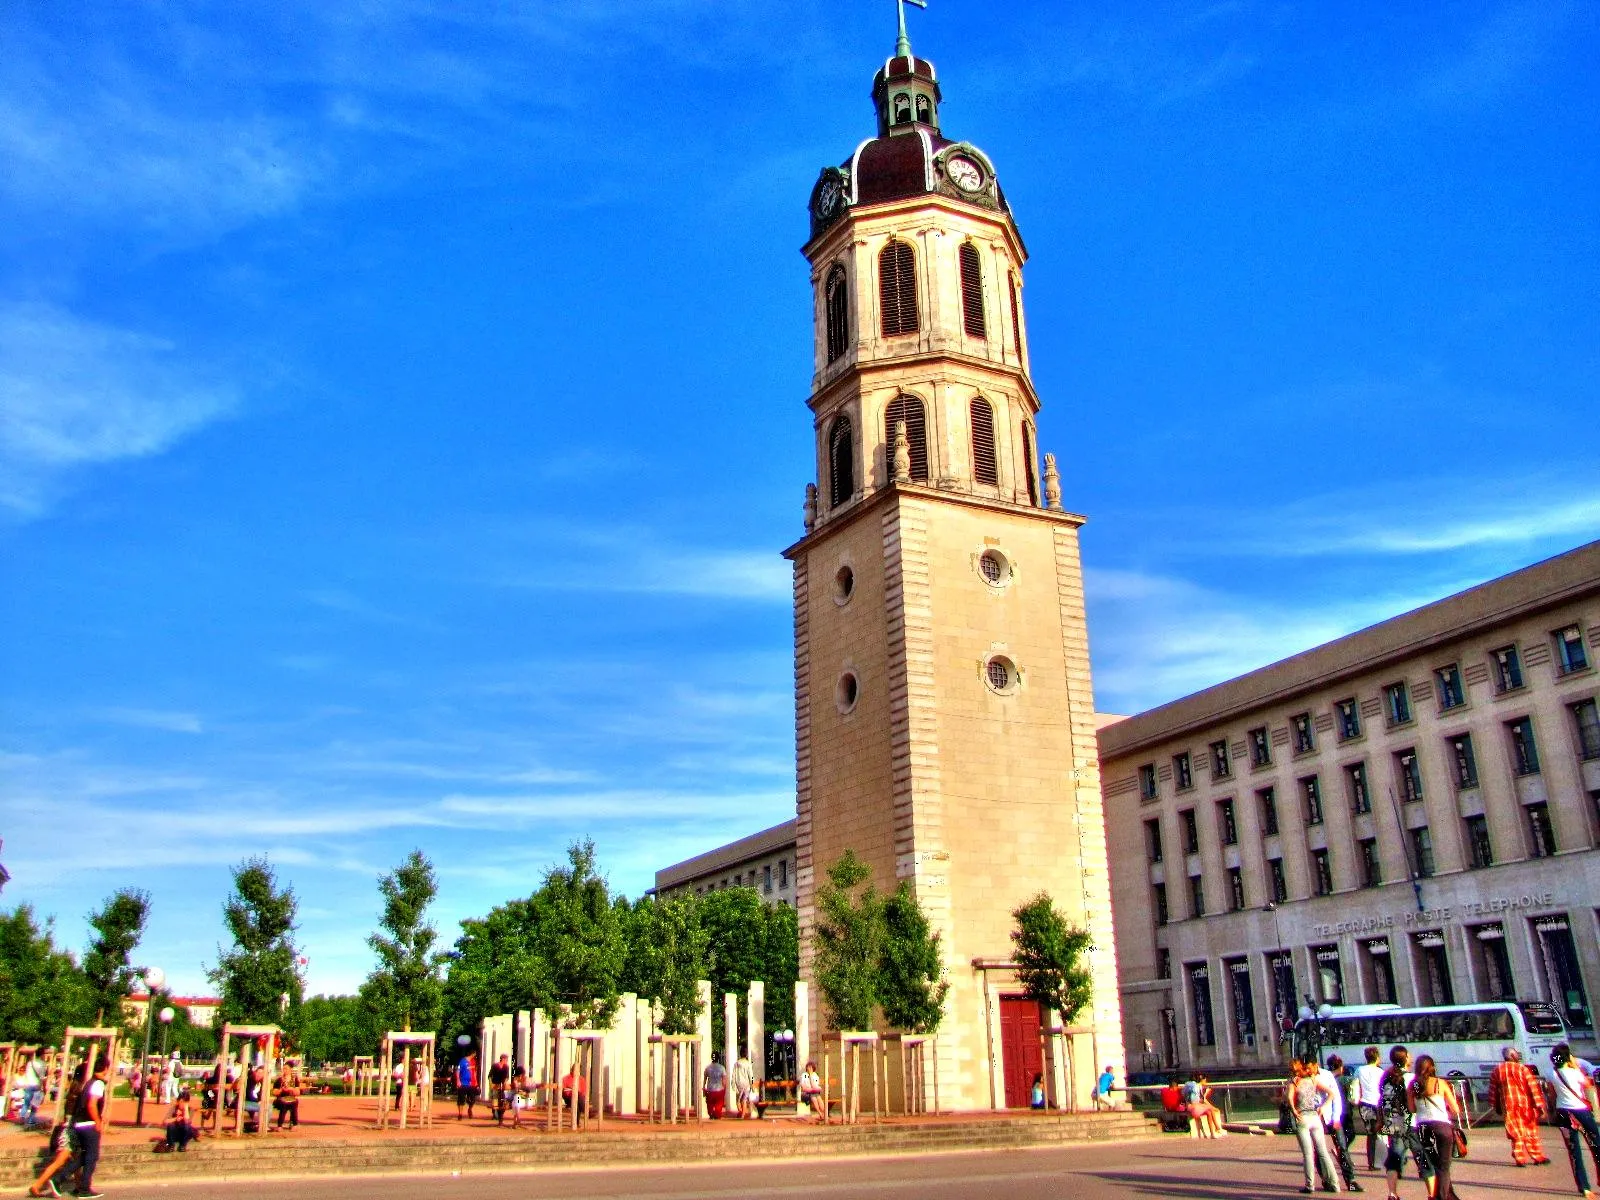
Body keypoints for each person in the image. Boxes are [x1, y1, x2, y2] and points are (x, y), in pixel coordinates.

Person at [28, 1062, 87, 1198]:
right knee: (61, 1161)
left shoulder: (73, 1087)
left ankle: (79, 1186)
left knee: (75, 1160)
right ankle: (38, 1185)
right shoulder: (79, 1090)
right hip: (70, 1131)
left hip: (67, 1128)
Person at [1379, 1046, 1431, 1200]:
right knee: (1423, 1159)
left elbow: (1382, 1100)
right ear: (1406, 1058)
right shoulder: (1411, 1078)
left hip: (1394, 1123)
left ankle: (1392, 1193)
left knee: (1394, 1159)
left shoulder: (1386, 1078)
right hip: (1412, 1122)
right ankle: (1432, 1194)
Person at [1410, 1055, 1463, 1200]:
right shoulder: (1440, 1083)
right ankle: (1442, 1196)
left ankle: (1448, 1195)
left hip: (1423, 1128)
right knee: (1444, 1166)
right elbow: (1455, 1109)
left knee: (1437, 1165)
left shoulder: (1413, 1085)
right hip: (1442, 1126)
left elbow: (1412, 1108)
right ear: (1432, 1067)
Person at [1552, 1043, 1600, 1200]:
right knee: (1596, 1144)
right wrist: (1574, 1065)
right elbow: (1587, 1084)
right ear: (1568, 1057)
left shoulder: (1552, 1073)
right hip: (1581, 1112)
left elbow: (1552, 1090)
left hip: (1563, 1113)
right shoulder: (1574, 1072)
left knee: (1574, 1151)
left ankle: (1584, 1187)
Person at [1286, 1058, 1341, 1195]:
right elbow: (1331, 1093)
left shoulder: (1293, 1082)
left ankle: (1310, 1185)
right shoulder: (1313, 1080)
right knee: (1323, 1152)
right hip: (1315, 1117)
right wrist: (1324, 1106)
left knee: (1308, 1154)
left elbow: (1288, 1098)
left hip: (1302, 1117)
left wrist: (1294, 1110)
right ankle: (1335, 1184)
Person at [1489, 1047, 1549, 1167]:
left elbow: (1493, 1091)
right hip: (1526, 1106)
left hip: (1508, 1106)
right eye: (1516, 1054)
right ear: (1512, 1056)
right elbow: (1533, 1088)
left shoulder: (1497, 1070)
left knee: (1515, 1132)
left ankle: (1519, 1158)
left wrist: (1496, 1106)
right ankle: (1537, 1156)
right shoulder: (1523, 1069)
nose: (1518, 1056)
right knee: (1531, 1131)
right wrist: (1540, 1106)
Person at [65, 1054, 111, 1199]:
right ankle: (84, 1188)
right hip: (88, 1123)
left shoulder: (89, 1082)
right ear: (105, 1068)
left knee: (86, 1155)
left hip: (80, 1122)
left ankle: (60, 1178)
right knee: (92, 1156)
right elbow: (92, 1104)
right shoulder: (98, 1083)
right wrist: (97, 1121)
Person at [1320, 1055, 1362, 1192]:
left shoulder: (1326, 1075)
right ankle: (1327, 1180)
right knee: (1319, 1151)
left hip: (1334, 1115)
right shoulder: (1309, 1077)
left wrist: (1335, 1117)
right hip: (1322, 1117)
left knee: (1342, 1147)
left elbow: (1336, 1097)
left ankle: (1350, 1181)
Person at [1355, 1046, 1387, 1172]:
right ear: (1377, 1057)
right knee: (1381, 1131)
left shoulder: (1359, 1070)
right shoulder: (1381, 1072)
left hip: (1365, 1104)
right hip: (1378, 1104)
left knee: (1371, 1134)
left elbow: (1355, 1084)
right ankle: (1383, 1158)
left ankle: (1372, 1162)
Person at [703, 1053, 728, 1119]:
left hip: (710, 1089)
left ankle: (711, 1113)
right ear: (718, 1058)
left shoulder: (707, 1068)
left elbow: (705, 1079)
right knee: (719, 1104)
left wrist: (704, 1088)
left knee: (710, 1104)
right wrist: (724, 1088)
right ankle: (717, 1115)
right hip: (719, 1089)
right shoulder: (722, 1068)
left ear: (711, 1058)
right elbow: (724, 1080)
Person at [489, 1054, 511, 1125]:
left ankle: (501, 1116)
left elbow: (507, 1076)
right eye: (506, 1059)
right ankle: (495, 1114)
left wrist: (505, 1082)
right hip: (495, 1084)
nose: (507, 1061)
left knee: (502, 1100)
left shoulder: (506, 1067)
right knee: (495, 1099)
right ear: (502, 1059)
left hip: (502, 1085)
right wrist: (491, 1084)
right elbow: (490, 1076)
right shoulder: (495, 1066)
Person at [731, 1055, 756, 1119]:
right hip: (746, 1084)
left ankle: (741, 1112)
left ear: (740, 1054)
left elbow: (733, 1074)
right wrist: (752, 1085)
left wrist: (733, 1084)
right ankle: (743, 1114)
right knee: (744, 1100)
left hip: (739, 1084)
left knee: (738, 1100)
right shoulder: (748, 1064)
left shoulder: (736, 1064)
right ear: (746, 1055)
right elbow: (751, 1076)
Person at [454, 1054, 477, 1120]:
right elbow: (458, 1071)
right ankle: (460, 1114)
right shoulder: (462, 1061)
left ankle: (470, 1109)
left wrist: (476, 1081)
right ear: (472, 1054)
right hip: (463, 1083)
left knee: (472, 1100)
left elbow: (475, 1072)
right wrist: (458, 1080)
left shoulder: (474, 1061)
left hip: (472, 1084)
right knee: (461, 1100)